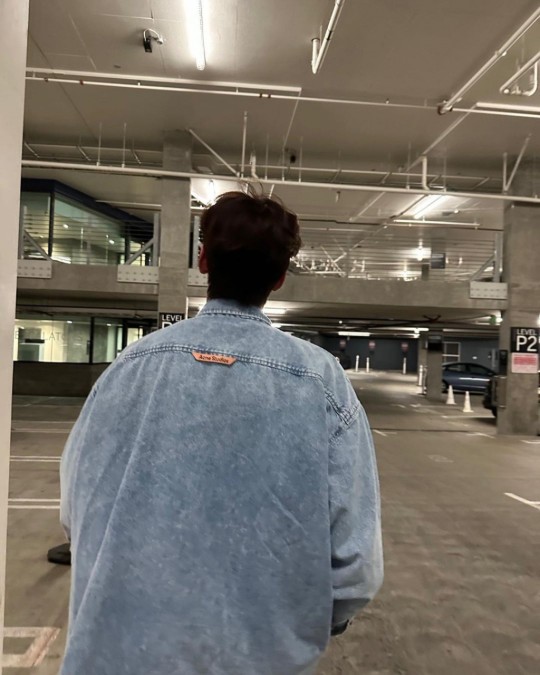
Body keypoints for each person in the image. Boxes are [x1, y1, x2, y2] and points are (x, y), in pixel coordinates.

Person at [60, 190, 383, 675]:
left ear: (203, 261)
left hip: (119, 654)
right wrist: (318, 618)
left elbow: (73, 507)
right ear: (279, 278)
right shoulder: (320, 380)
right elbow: (356, 561)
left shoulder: (128, 366)